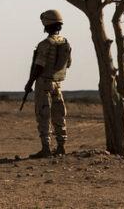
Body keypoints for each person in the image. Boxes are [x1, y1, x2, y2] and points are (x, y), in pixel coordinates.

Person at [24, 9, 72, 158]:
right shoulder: (66, 43)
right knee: (59, 115)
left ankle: (46, 148)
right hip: (57, 83)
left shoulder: (45, 44)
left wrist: (29, 83)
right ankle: (61, 146)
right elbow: (68, 64)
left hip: (44, 83)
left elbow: (39, 65)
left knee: (43, 114)